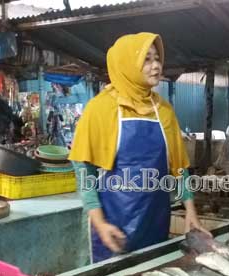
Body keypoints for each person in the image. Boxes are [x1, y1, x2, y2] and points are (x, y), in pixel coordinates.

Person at [69, 33, 210, 263]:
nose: (156, 65)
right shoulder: (101, 109)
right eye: (146, 59)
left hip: (155, 222)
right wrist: (100, 222)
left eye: (157, 58)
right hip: (113, 227)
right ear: (127, 64)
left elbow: (180, 167)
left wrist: (191, 212)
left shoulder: (164, 111)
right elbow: (84, 170)